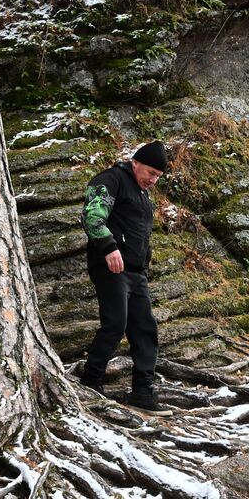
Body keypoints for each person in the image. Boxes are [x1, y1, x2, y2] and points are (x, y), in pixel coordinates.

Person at [78, 140, 172, 415]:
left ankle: (142, 392)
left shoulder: (144, 197)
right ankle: (91, 380)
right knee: (115, 324)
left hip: (135, 272)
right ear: (136, 163)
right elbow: (92, 216)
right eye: (151, 173)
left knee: (145, 330)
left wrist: (144, 264)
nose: (153, 180)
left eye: (158, 176)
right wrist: (109, 247)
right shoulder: (111, 179)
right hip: (109, 265)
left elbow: (140, 235)